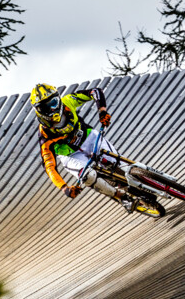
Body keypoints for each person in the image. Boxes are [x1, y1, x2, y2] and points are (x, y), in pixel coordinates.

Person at [30, 83, 138, 212]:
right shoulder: (44, 134)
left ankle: (139, 176)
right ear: (38, 110)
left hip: (89, 138)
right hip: (71, 156)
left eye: (53, 103)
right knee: (87, 176)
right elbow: (49, 167)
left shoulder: (68, 101)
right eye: (45, 108)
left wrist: (102, 111)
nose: (52, 110)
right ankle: (121, 197)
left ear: (59, 99)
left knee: (119, 163)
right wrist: (64, 188)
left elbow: (95, 91)